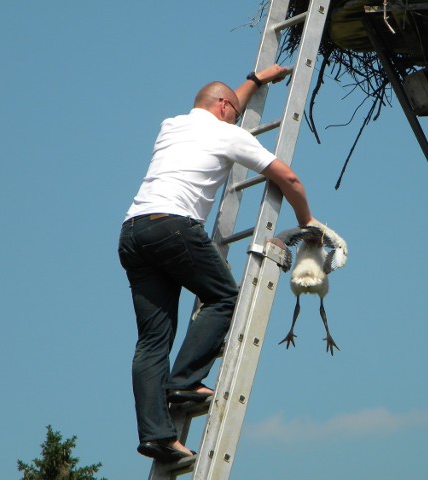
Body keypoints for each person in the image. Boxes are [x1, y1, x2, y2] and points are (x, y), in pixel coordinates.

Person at [118, 64, 317, 462]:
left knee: (152, 341)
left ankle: (157, 435)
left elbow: (223, 102)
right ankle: (186, 382)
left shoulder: (171, 125)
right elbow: (288, 178)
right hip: (174, 227)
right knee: (225, 296)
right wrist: (307, 222)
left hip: (133, 233)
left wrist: (256, 81)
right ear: (226, 109)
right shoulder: (229, 134)